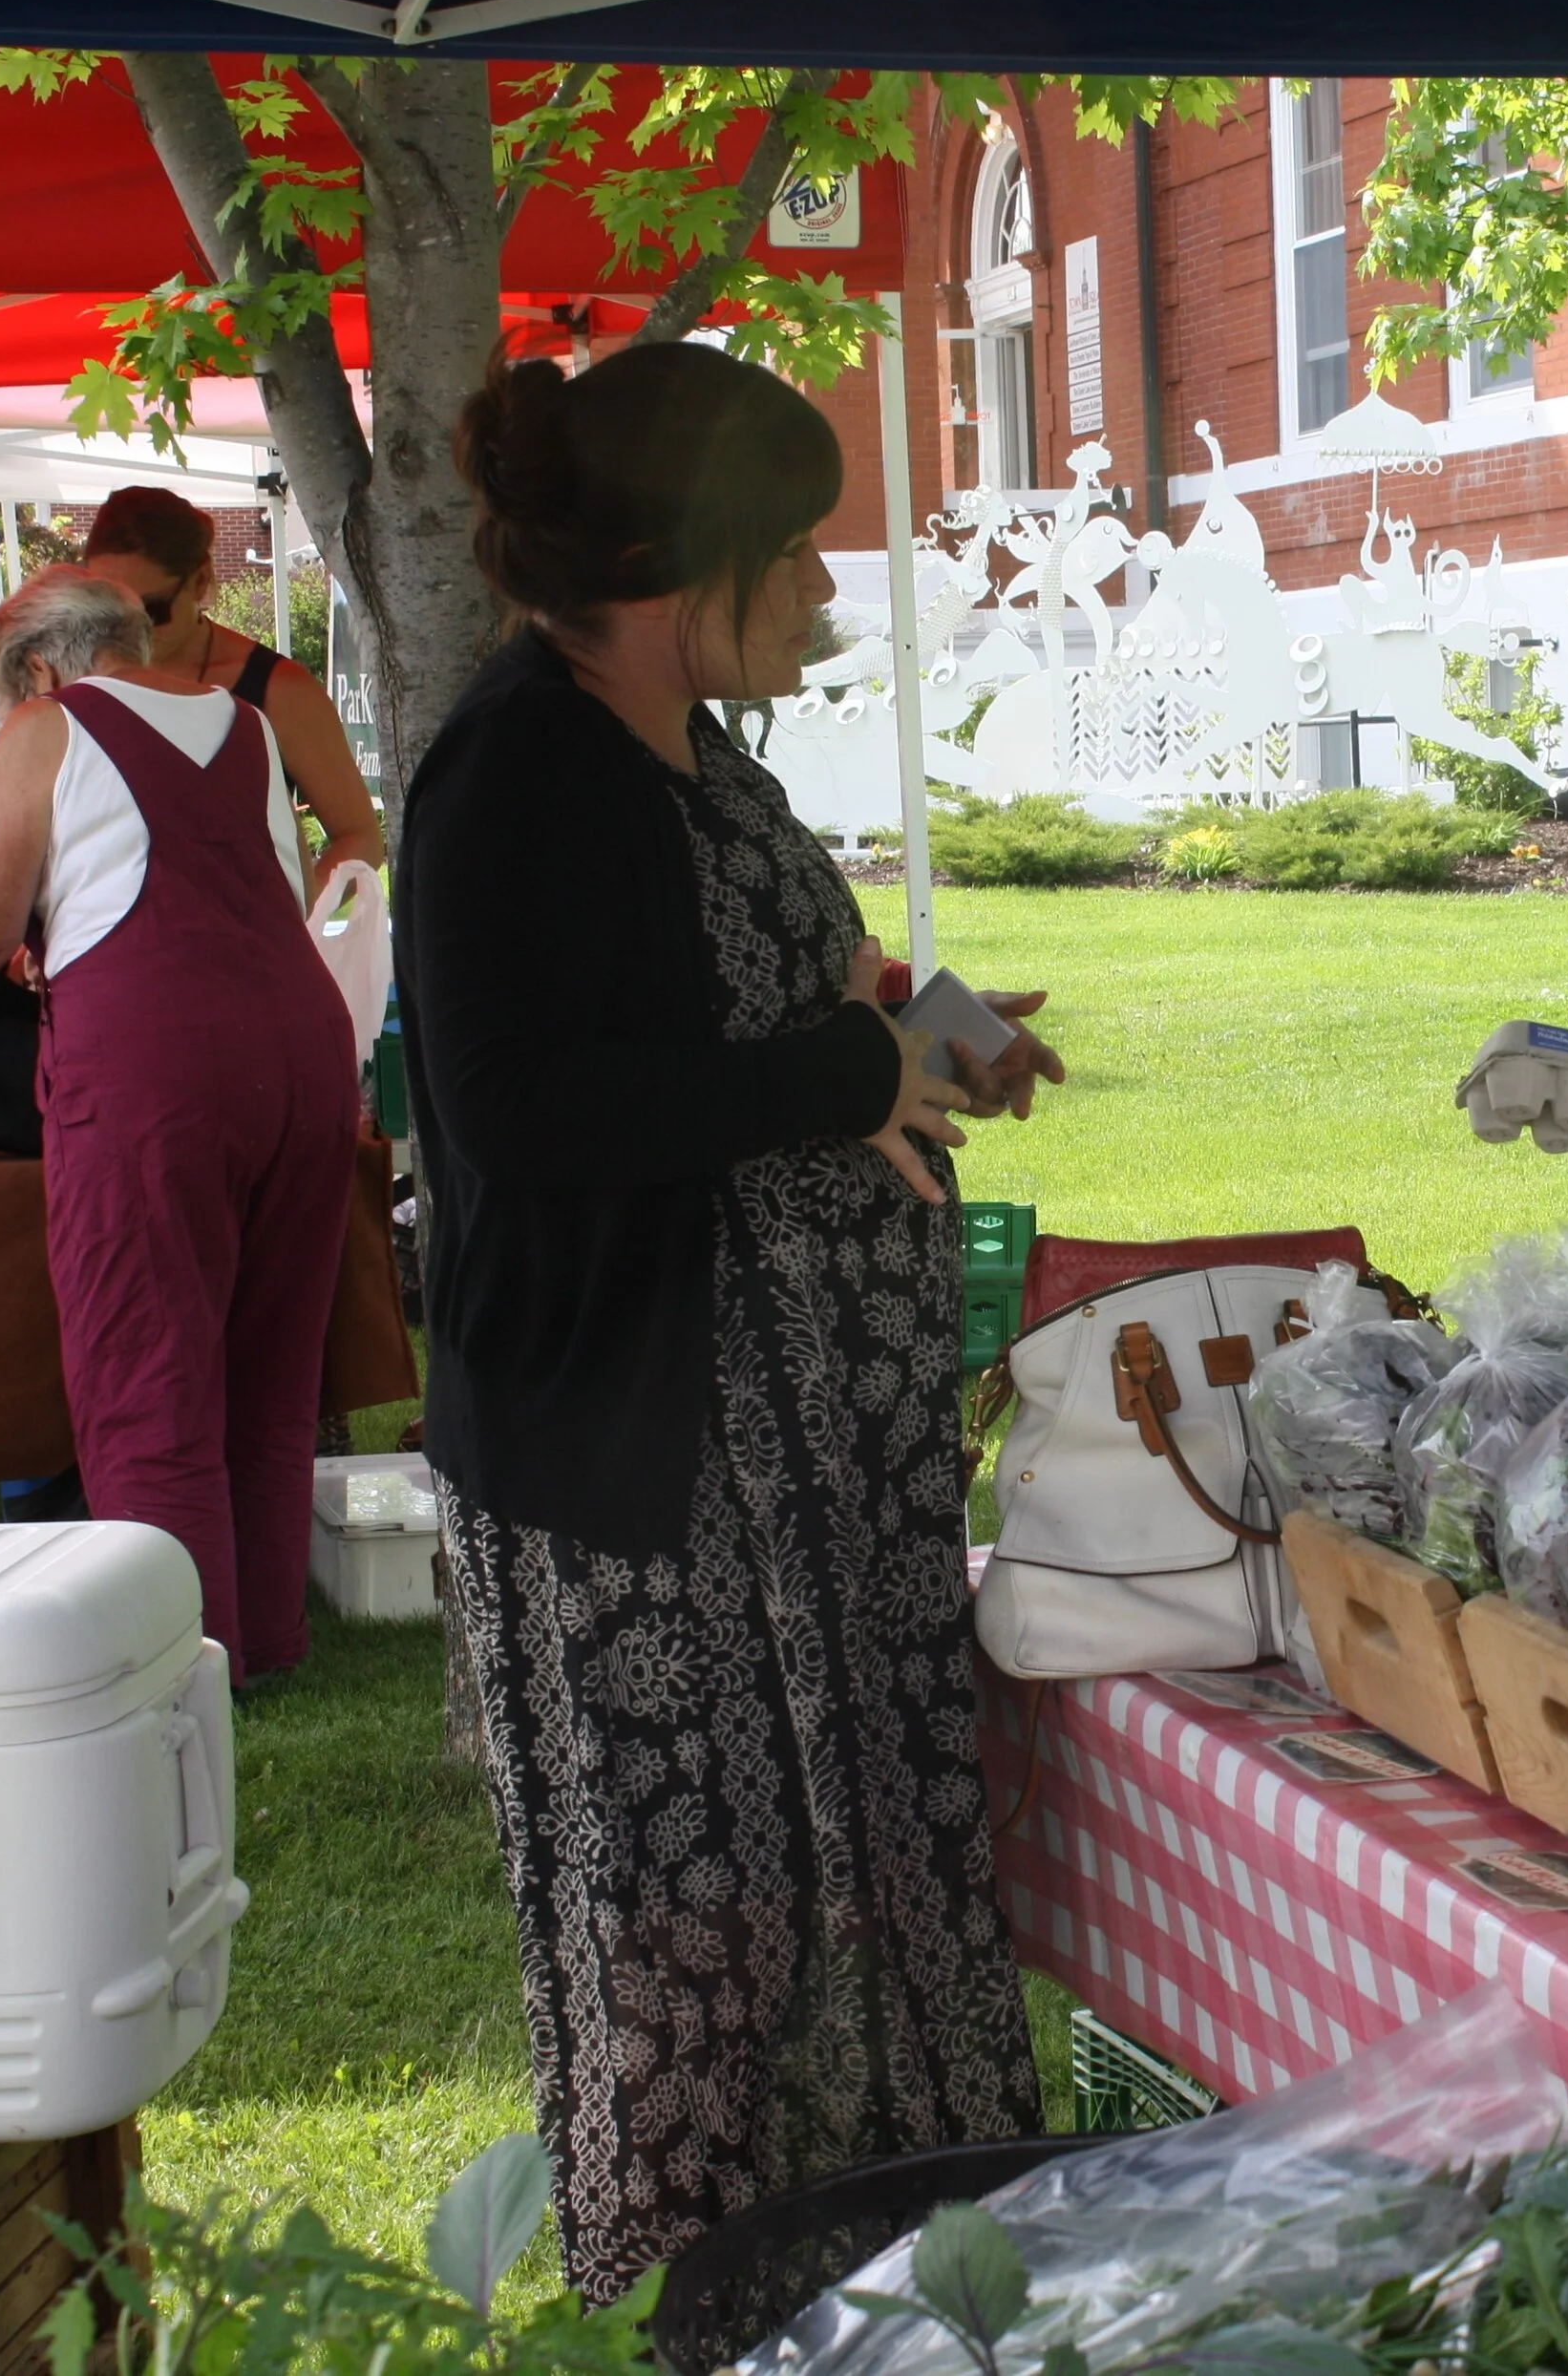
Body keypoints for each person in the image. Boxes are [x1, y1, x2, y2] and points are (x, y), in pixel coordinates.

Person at [398, 337, 1066, 2304]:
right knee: (699, 1921)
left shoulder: (691, 746)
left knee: (849, 1873)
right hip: (651, 1479)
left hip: (798, 1463)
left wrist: (922, 1021)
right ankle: (700, 2300)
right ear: (698, 560)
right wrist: (837, 1070)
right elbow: (522, 1106)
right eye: (801, 552)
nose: (828, 593)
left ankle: (885, 2274)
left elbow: (760, 981)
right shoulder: (516, 766)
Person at [0, 566, 357, 1682]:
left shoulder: (46, 725)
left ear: (34, 666)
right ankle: (261, 1638)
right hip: (301, 1050)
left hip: (154, 1063)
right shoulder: (252, 724)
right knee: (269, 1369)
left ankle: (175, 1655)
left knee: (144, 1365)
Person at [81, 489, 386, 890]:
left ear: (200, 581)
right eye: (106, 610)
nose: (125, 630)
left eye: (150, 611)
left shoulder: (278, 691)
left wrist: (283, 920)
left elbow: (360, 839)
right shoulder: (73, 675)